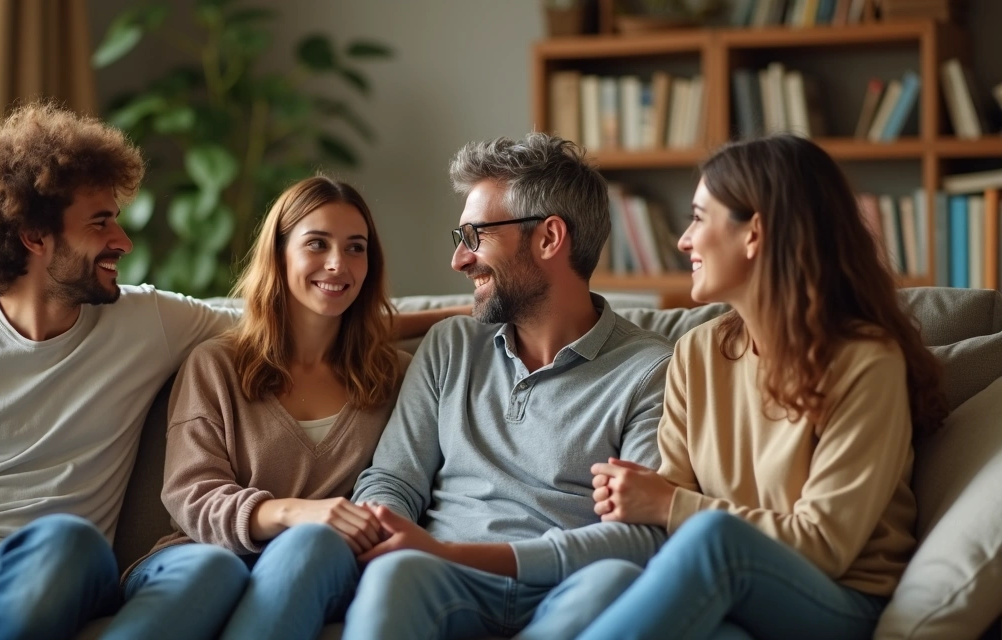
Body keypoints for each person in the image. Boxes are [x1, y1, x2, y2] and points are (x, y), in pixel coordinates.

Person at [0, 103, 457, 640]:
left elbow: (293, 318)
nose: (124, 241)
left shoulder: (148, 321)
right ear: (34, 236)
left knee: (68, 539)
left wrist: (466, 311)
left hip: (50, 564)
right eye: (101, 223)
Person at [576, 134, 947, 640]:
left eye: (699, 218)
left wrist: (666, 504)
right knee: (607, 580)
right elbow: (672, 499)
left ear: (754, 233)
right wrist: (639, 499)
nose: (684, 240)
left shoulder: (866, 363)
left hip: (841, 599)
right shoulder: (696, 352)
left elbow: (825, 544)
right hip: (734, 591)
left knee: (714, 540)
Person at [341, 132, 674, 640]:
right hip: (441, 578)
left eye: (475, 236)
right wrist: (390, 528)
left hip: (568, 584)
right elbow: (394, 480)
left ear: (549, 238)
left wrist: (449, 551)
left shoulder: (651, 370)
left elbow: (641, 537)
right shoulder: (451, 345)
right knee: (393, 574)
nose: (459, 260)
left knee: (613, 582)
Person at [101, 176, 412, 640]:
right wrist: (290, 512)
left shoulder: (397, 376)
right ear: (279, 253)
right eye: (317, 243)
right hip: (201, 557)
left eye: (355, 248)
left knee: (312, 544)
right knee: (215, 567)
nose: (337, 263)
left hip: (318, 565)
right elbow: (192, 496)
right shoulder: (216, 364)